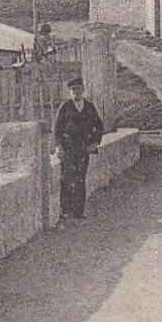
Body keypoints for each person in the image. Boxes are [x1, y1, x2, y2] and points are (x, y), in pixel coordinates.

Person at [52, 75, 104, 220]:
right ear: (70, 92)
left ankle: (79, 211)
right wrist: (58, 146)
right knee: (66, 178)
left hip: (83, 148)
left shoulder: (89, 107)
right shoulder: (65, 107)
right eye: (74, 90)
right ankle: (65, 210)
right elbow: (56, 129)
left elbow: (99, 126)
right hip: (68, 148)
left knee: (81, 178)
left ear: (83, 91)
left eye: (79, 90)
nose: (77, 93)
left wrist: (95, 142)